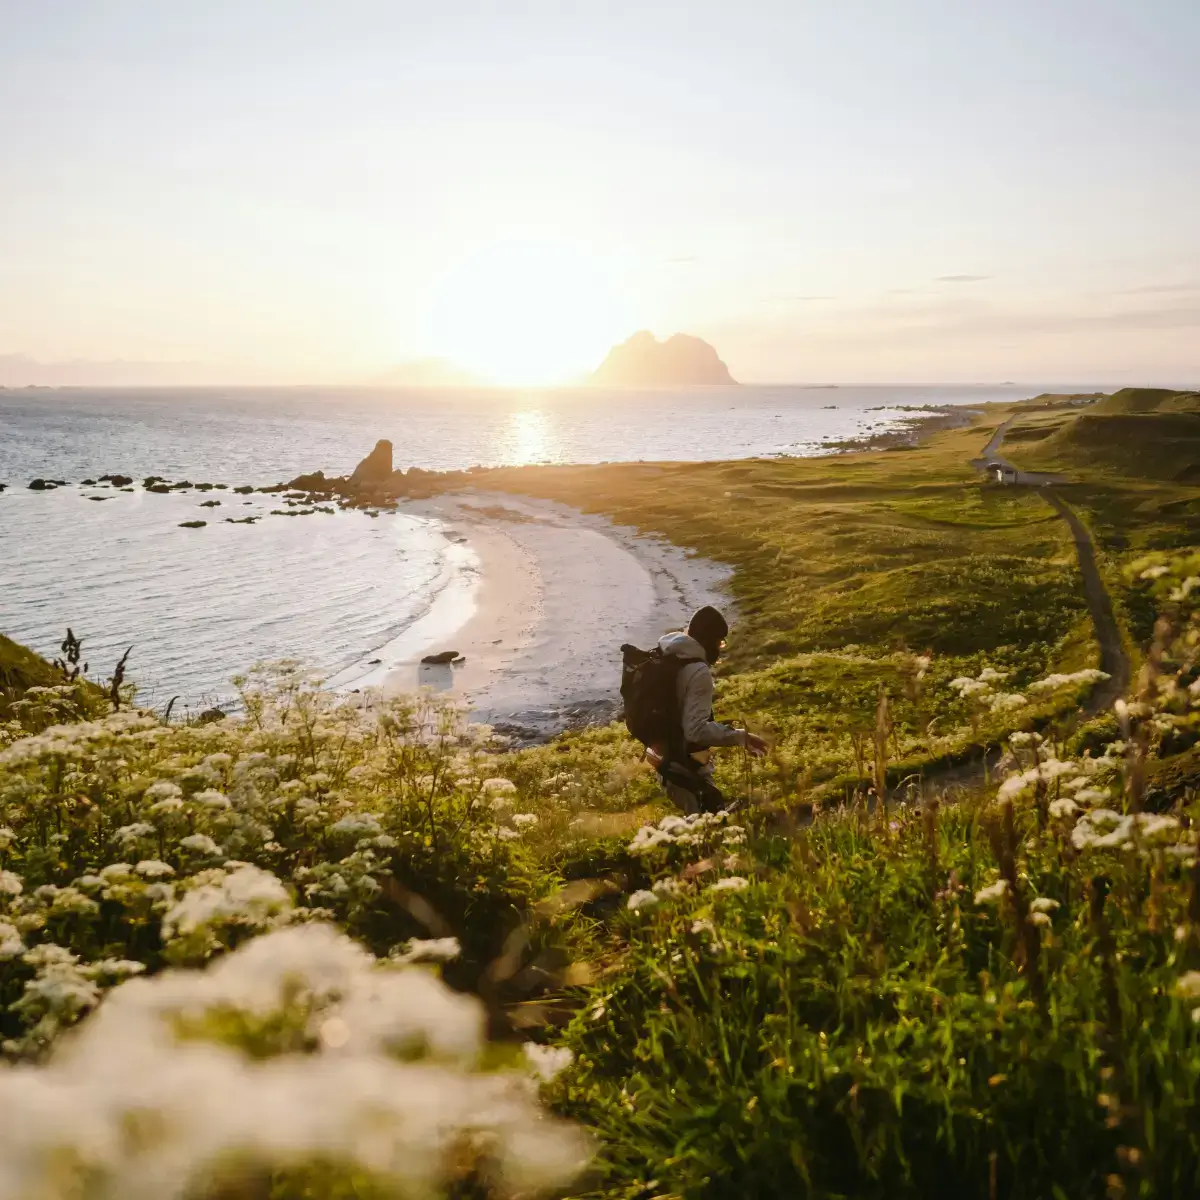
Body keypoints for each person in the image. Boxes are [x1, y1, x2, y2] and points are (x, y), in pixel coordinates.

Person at [651, 605, 767, 813]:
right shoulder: (699, 672)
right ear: (710, 640)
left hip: (667, 763)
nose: (720, 647)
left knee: (708, 822)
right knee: (706, 831)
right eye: (719, 642)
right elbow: (695, 730)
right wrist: (740, 736)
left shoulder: (671, 654)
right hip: (683, 767)